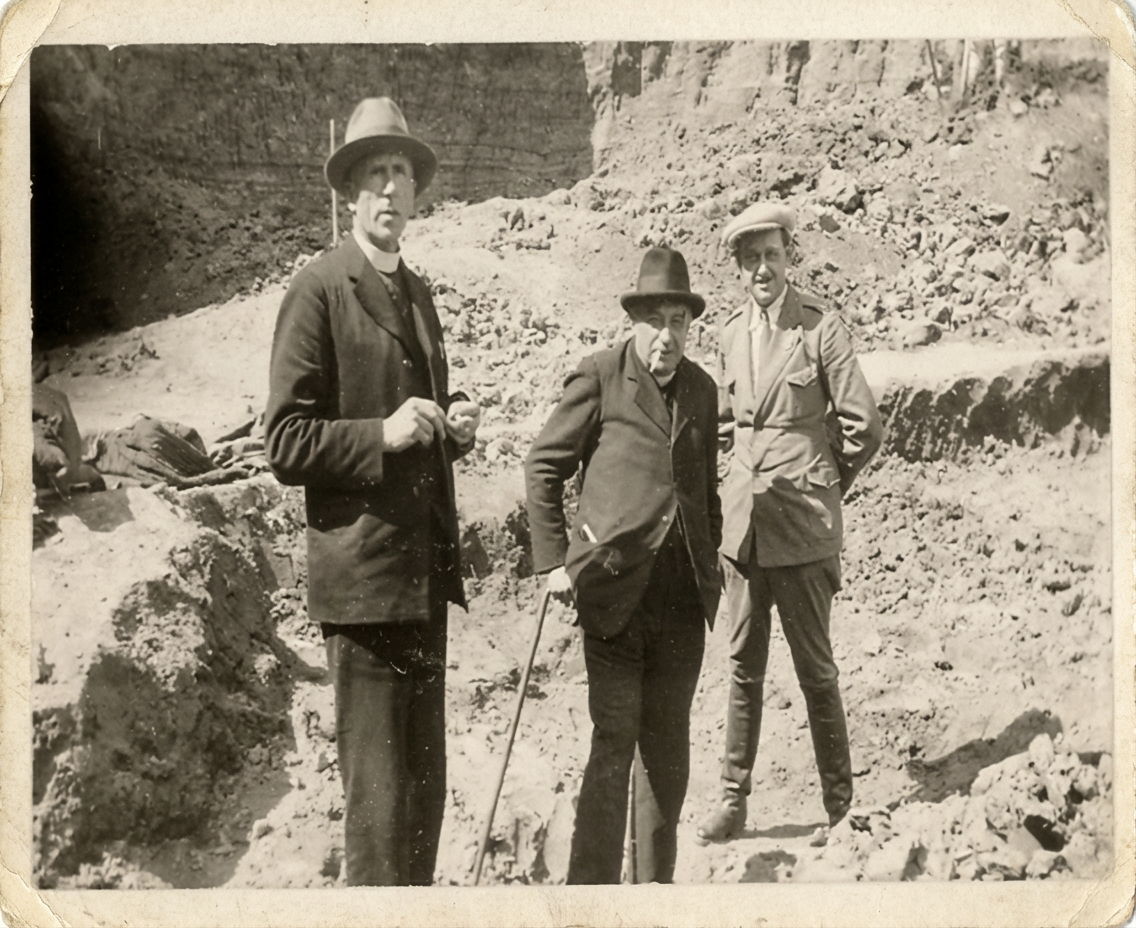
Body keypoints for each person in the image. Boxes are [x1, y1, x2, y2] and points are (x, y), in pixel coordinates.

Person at [264, 97, 480, 885]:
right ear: (350, 191)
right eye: (375, 173)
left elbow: (418, 414)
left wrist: (454, 425)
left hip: (422, 587)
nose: (390, 188)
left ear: (416, 191)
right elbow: (285, 441)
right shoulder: (319, 288)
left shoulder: (418, 293)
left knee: (424, 802)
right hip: (363, 595)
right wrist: (380, 435)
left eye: (402, 173)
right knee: (379, 816)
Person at [525, 247, 722, 884]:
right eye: (655, 320)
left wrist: (709, 563)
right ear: (634, 321)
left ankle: (653, 894)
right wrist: (553, 562)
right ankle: (591, 899)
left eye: (678, 322)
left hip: (681, 603)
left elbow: (706, 493)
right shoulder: (602, 376)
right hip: (613, 595)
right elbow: (543, 465)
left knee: (668, 751)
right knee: (613, 744)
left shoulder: (702, 390)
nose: (667, 335)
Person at [698, 202, 883, 842]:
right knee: (742, 667)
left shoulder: (820, 328)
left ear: (789, 258)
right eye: (750, 259)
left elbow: (864, 427)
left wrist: (823, 484)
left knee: (816, 670)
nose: (762, 269)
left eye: (772, 256)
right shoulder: (729, 333)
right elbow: (727, 427)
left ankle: (840, 805)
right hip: (744, 530)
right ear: (738, 267)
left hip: (804, 527)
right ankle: (732, 800)